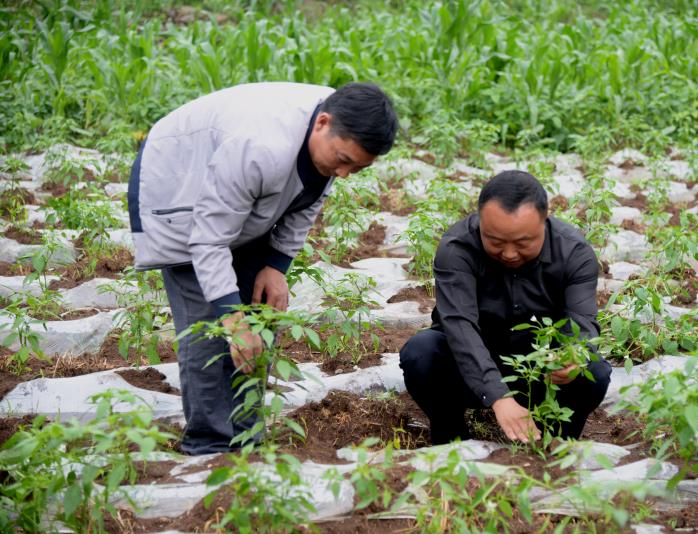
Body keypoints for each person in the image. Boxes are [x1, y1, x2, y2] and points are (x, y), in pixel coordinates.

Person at [128, 82, 398, 454]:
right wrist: (231, 318)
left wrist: (276, 264)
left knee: (256, 312)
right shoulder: (261, 147)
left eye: (356, 167)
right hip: (179, 184)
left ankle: (245, 437)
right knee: (208, 325)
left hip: (242, 200)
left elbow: (307, 200)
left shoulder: (336, 133)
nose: (345, 173)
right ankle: (210, 446)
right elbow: (206, 241)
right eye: (343, 160)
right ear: (322, 123)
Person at [399, 170, 611, 445]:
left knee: (593, 371)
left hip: (539, 372)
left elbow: (582, 322)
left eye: (524, 243)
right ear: (480, 222)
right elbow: (460, 327)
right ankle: (450, 436)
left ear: (544, 223)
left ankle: (557, 445)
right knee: (421, 352)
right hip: (468, 369)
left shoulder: (574, 253)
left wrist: (574, 356)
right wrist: (498, 396)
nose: (509, 254)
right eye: (495, 242)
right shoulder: (457, 248)